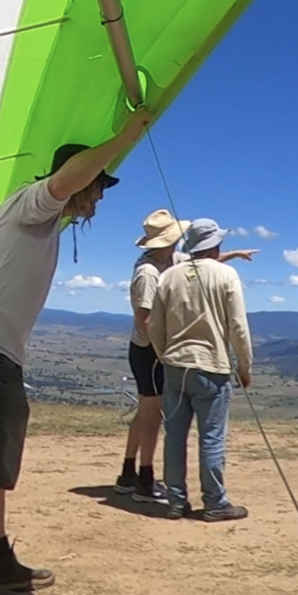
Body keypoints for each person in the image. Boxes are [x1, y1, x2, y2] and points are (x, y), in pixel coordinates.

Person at [0, 143, 120, 595]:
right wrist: (126, 135)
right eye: (98, 184)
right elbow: (65, 181)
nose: (100, 196)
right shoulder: (35, 200)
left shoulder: (38, 217)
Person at [147, 217, 256, 521]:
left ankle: (175, 501)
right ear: (215, 244)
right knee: (211, 438)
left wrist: (165, 355)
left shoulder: (169, 276)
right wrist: (244, 367)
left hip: (174, 365)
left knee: (174, 437)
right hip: (212, 367)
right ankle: (214, 503)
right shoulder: (226, 274)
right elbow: (238, 326)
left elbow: (153, 326)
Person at [117, 210, 184, 500]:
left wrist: (228, 256)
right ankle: (145, 479)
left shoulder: (168, 261)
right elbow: (143, 319)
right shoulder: (148, 273)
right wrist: (163, 353)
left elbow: (198, 264)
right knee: (152, 416)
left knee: (145, 412)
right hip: (149, 351)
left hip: (148, 349)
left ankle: (128, 473)